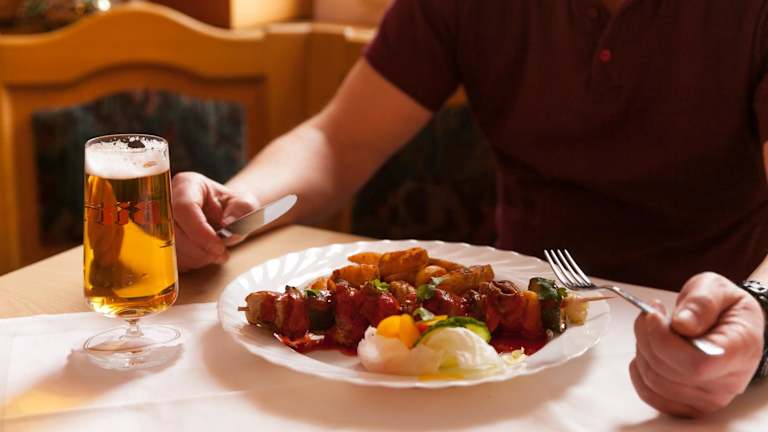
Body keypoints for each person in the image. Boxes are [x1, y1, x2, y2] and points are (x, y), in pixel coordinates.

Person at [171, 0, 767, 418]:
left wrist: (759, 314)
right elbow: (338, 140)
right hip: (511, 355)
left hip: (708, 336)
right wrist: (237, 205)